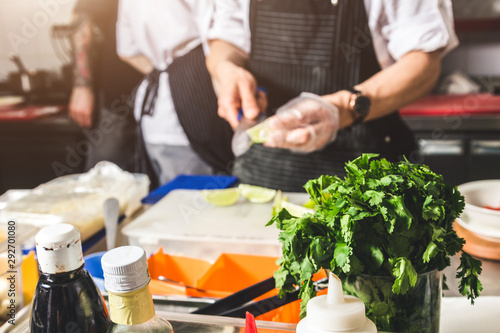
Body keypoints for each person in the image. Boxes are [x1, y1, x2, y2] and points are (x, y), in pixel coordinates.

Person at [207, 0, 458, 191]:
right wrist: (226, 69)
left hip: (367, 176)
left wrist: (344, 108)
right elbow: (226, 41)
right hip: (263, 175)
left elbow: (424, 61)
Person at [116, 0, 234, 187]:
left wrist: (165, 72)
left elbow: (127, 51)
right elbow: (219, 42)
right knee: (206, 200)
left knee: (172, 200)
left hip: (155, 121)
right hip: (193, 111)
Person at [68, 0, 142, 172]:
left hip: (173, 96)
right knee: (106, 180)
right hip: (118, 99)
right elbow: (82, 22)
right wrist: (81, 86)